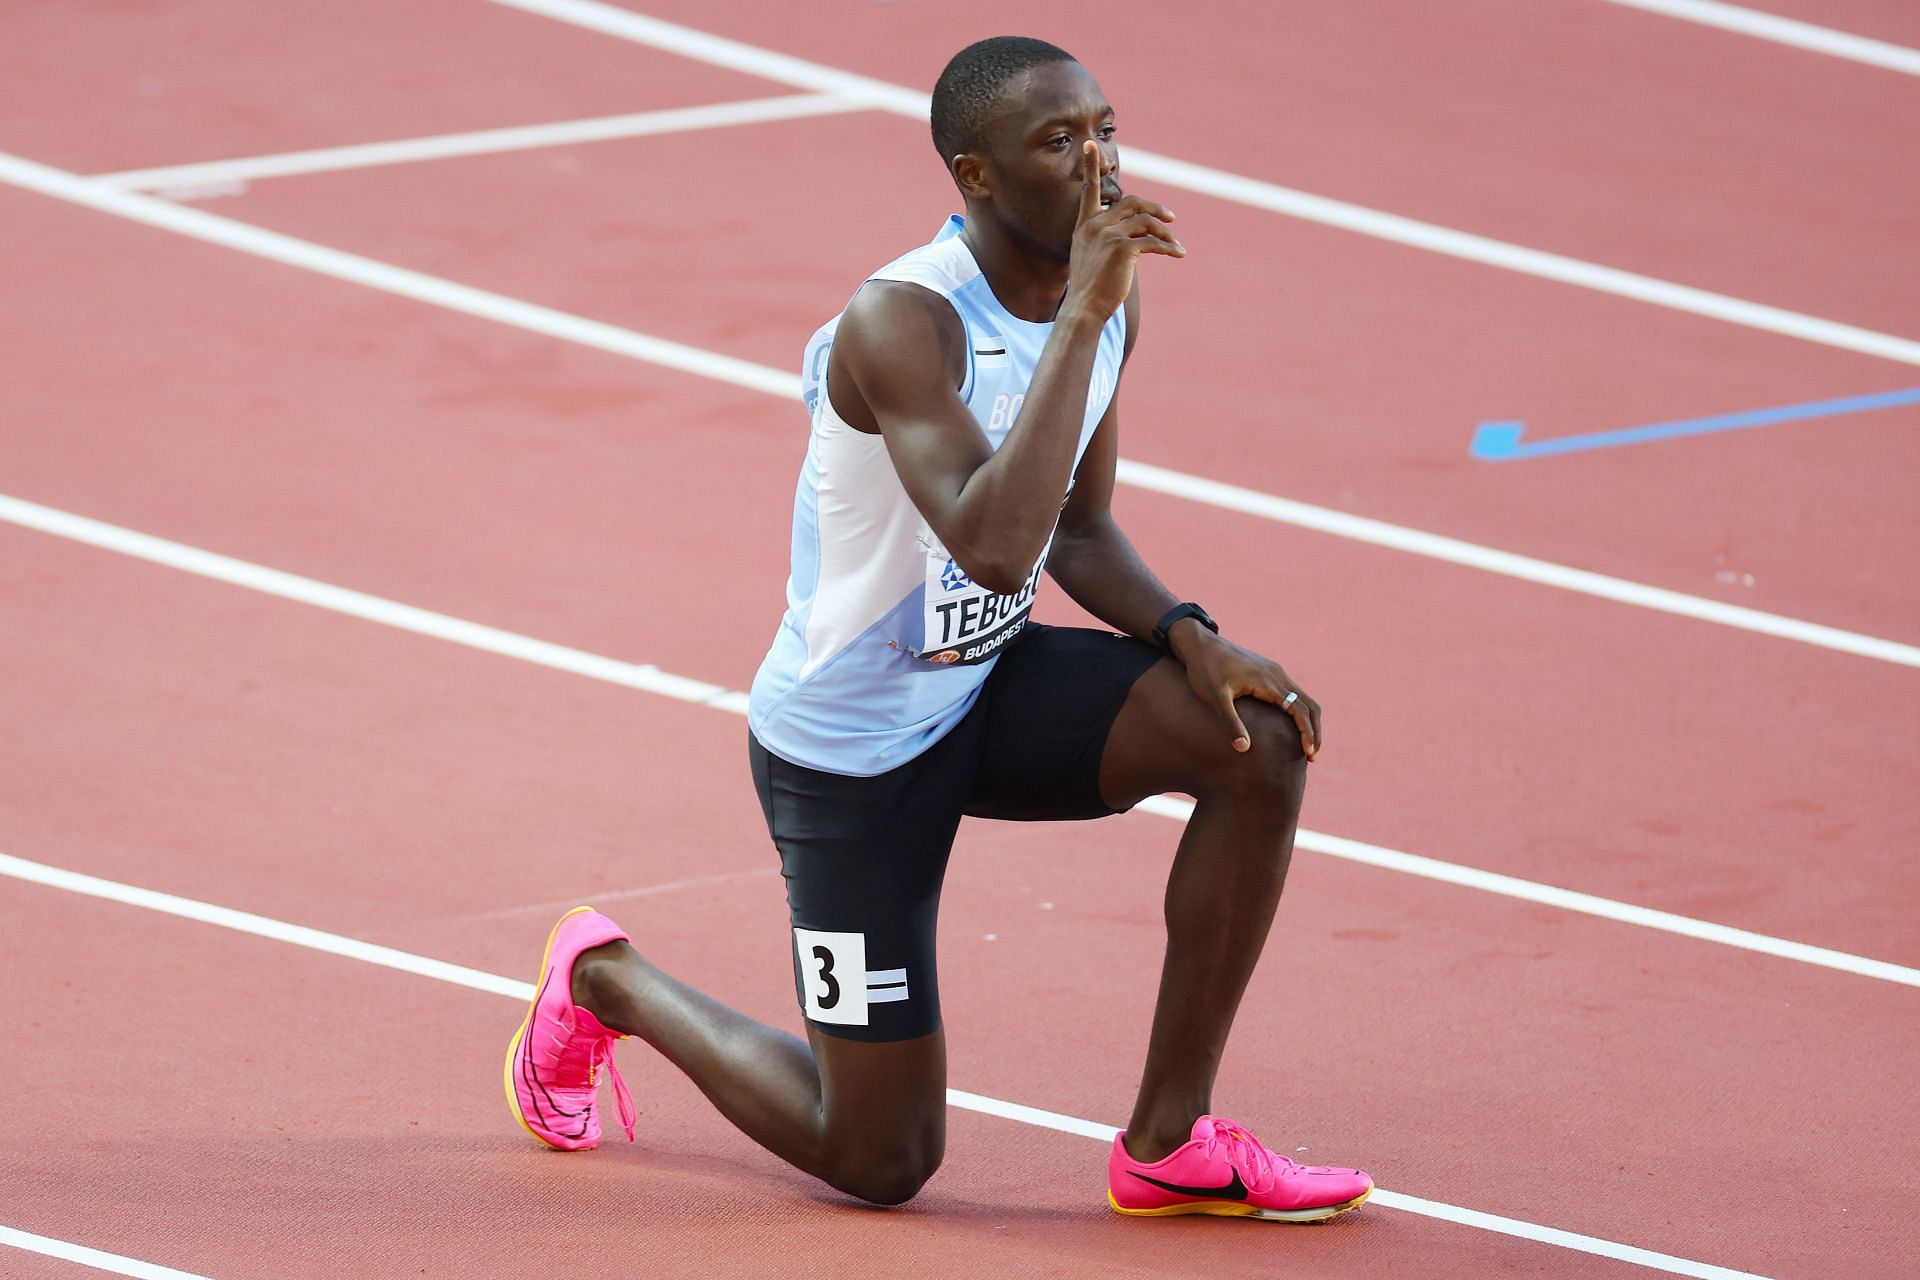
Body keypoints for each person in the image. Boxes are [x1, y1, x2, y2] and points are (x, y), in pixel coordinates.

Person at [506, 35, 1372, 1223]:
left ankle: (1170, 1140)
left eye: (1105, 129)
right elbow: (996, 543)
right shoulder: (902, 322)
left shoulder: (1103, 305)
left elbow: (1075, 529)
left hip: (982, 689)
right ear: (974, 174)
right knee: (881, 1159)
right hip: (851, 752)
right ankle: (606, 980)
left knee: (1254, 736)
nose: (1099, 165)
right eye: (1059, 142)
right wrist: (1082, 315)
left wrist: (1187, 631)